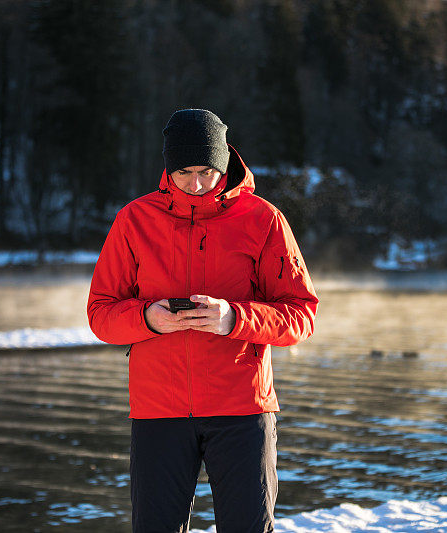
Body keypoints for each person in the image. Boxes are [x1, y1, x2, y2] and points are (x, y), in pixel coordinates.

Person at [87, 108, 319, 532]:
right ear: (167, 169)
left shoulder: (264, 219)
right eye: (184, 173)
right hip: (159, 409)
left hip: (242, 408)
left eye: (207, 172)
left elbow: (300, 314)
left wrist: (235, 317)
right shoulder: (134, 220)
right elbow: (101, 314)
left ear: (225, 164)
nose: (196, 185)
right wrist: (148, 318)